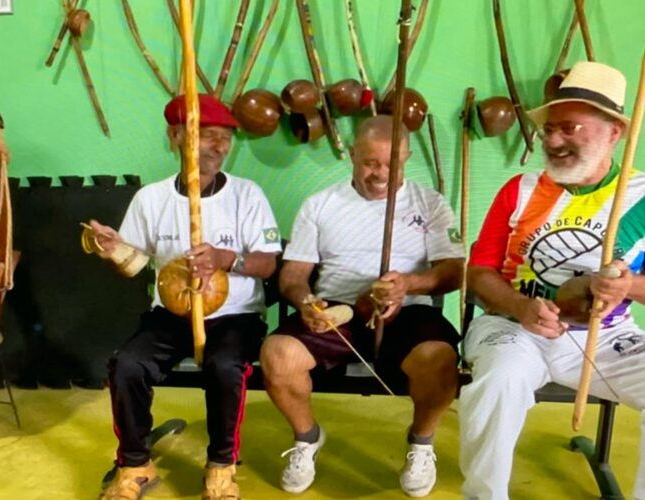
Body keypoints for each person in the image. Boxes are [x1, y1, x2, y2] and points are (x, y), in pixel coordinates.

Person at [460, 60, 645, 499]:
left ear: (614, 133)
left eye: (572, 129)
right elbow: (479, 271)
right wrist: (521, 307)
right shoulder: (519, 191)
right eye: (550, 129)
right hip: (512, 325)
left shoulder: (641, 198)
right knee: (499, 383)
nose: (555, 140)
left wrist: (628, 288)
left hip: (606, 334)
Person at [89, 93, 281, 500]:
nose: (219, 147)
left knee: (226, 366)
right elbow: (134, 264)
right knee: (127, 365)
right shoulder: (152, 199)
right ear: (176, 135)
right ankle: (135, 463)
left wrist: (225, 259)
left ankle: (221, 465)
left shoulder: (248, 195)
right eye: (207, 135)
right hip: (170, 313)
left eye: (225, 138)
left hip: (234, 314)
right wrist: (112, 249)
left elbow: (268, 265)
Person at [260, 115, 464, 497]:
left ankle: (421, 443)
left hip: (408, 309)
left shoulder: (430, 203)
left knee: (439, 359)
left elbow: (453, 273)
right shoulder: (321, 204)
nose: (381, 174)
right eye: (370, 162)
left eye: (393, 164)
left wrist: (408, 283)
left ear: (406, 158)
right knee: (277, 355)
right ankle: (307, 438)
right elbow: (292, 275)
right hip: (338, 310)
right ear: (352, 154)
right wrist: (306, 301)